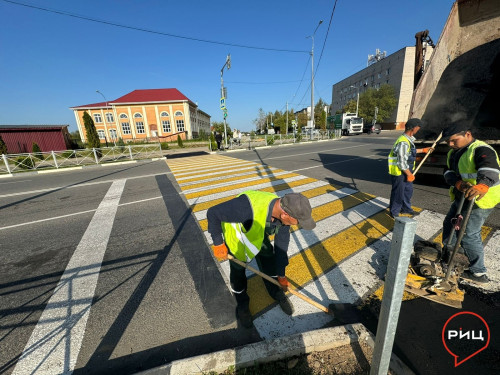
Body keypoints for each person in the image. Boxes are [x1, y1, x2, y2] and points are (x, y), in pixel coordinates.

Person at [207, 190, 316, 328]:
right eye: (298, 222)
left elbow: (281, 247)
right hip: (238, 236)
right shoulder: (244, 207)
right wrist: (218, 243)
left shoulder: (284, 211)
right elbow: (213, 213)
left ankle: (275, 290)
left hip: (256, 231)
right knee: (238, 272)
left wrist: (281, 275)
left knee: (268, 259)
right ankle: (242, 304)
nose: (297, 224)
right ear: (285, 214)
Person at [441, 121, 500, 284]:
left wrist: (483, 184)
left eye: (454, 140)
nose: (450, 144)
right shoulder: (453, 152)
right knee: (449, 224)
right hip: (462, 196)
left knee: (468, 233)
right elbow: (447, 171)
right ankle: (453, 257)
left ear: (467, 134)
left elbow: (490, 169)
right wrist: (458, 183)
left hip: (480, 200)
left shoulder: (481, 149)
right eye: (448, 142)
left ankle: (478, 273)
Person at [387, 118, 433, 218]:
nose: (418, 130)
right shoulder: (403, 142)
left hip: (406, 171)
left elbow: (409, 152)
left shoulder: (408, 140)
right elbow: (401, 162)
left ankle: (406, 208)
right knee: (398, 192)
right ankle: (394, 212)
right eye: (418, 128)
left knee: (407, 191)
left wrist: (423, 150)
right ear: (414, 128)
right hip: (400, 172)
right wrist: (409, 174)